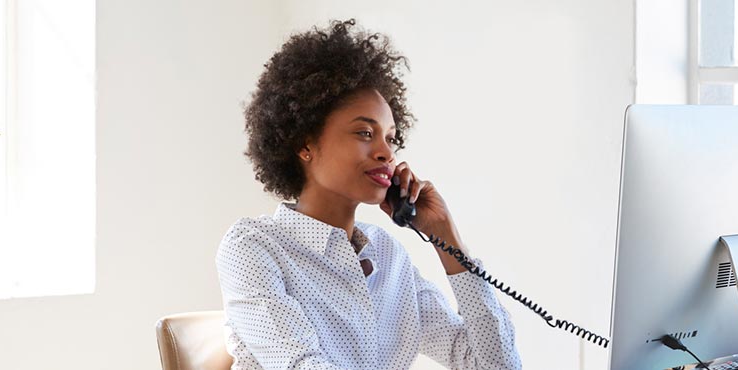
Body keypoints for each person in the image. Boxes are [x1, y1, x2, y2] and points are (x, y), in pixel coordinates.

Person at [216, 19, 522, 370]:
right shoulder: (253, 247)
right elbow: (301, 364)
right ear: (304, 143)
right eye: (364, 132)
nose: (385, 153)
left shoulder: (389, 257)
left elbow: (498, 367)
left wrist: (448, 243)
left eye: (390, 138)